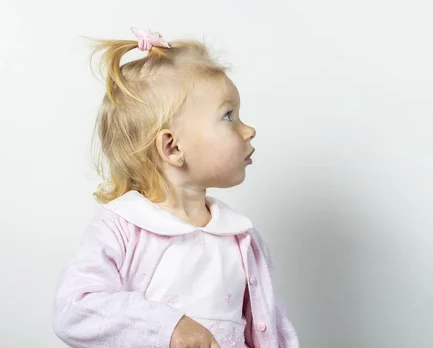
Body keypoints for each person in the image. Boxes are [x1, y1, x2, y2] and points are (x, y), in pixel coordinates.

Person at [52, 27, 299, 348]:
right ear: (172, 147)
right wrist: (170, 327)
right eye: (228, 116)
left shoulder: (241, 237)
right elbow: (74, 309)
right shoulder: (122, 228)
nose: (249, 129)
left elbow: (270, 332)